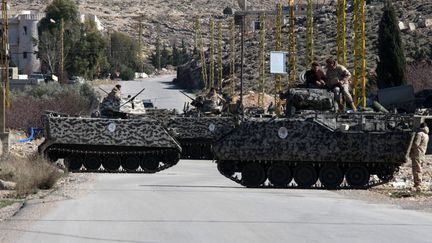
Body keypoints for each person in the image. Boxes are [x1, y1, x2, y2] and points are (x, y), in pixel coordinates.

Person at [410, 122, 429, 192]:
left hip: (417, 153)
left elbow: (416, 144)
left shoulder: (419, 134)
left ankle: (418, 184)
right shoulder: (426, 135)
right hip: (422, 153)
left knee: (416, 169)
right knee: (419, 168)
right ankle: (419, 183)